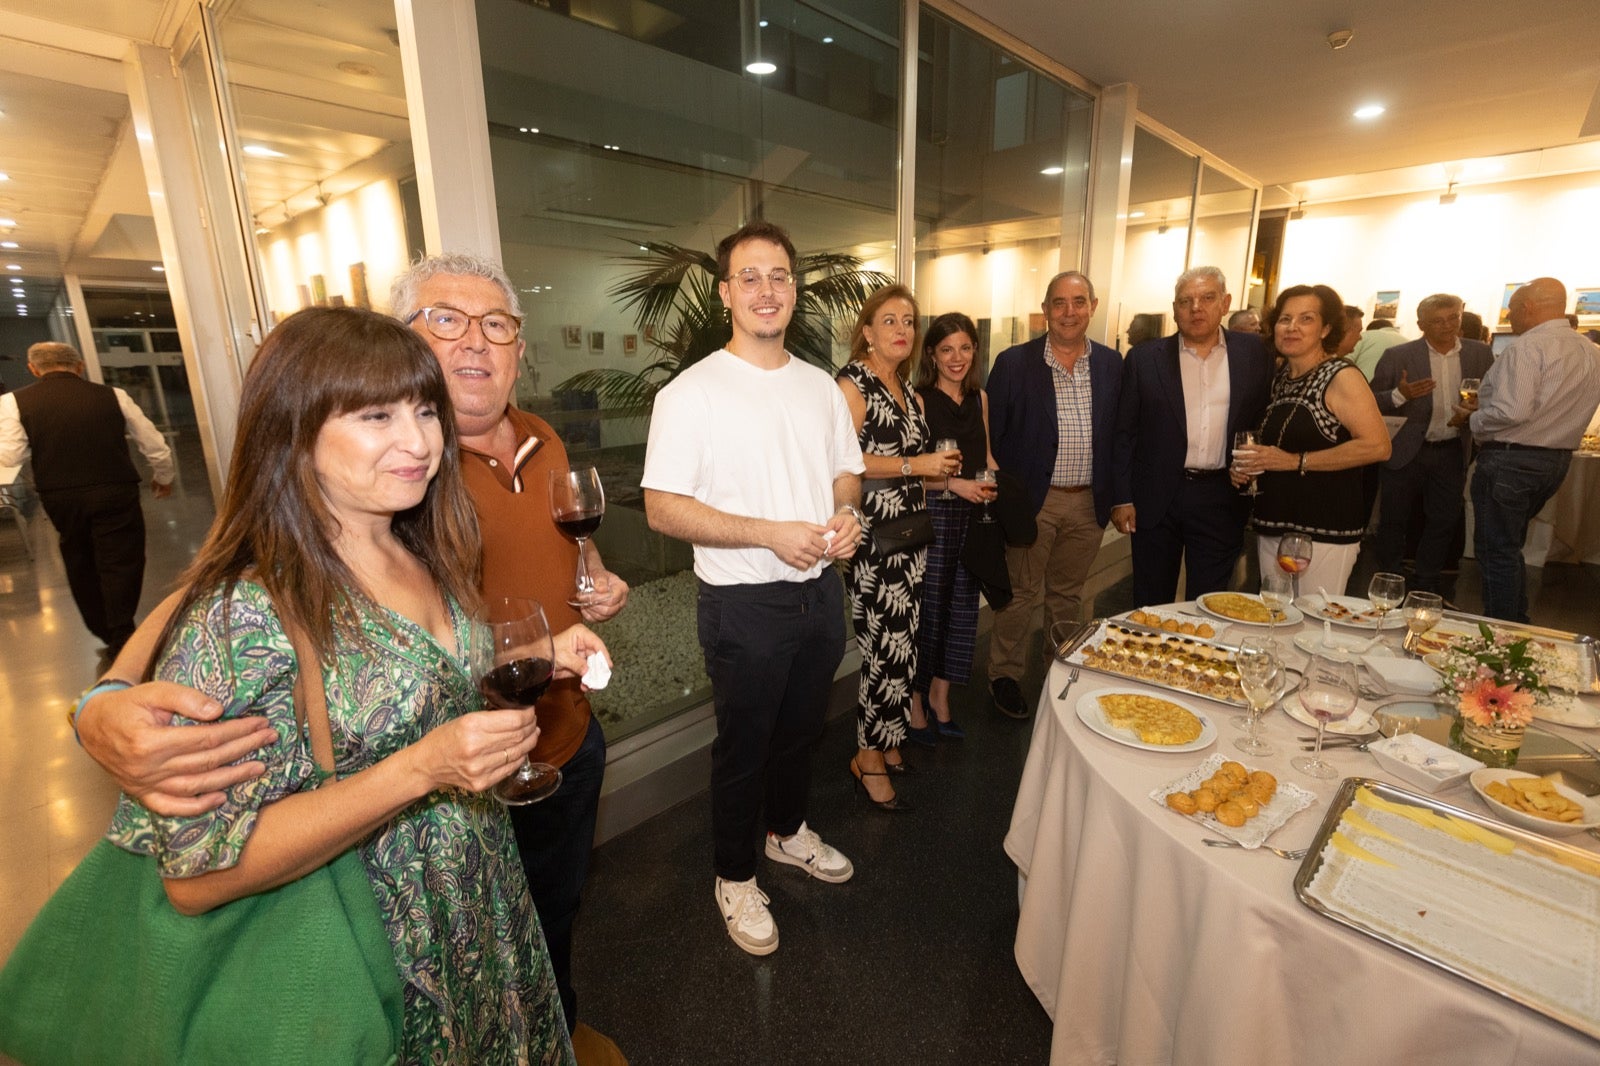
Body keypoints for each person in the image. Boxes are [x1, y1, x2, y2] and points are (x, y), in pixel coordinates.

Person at [74, 252, 631, 1059]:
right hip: (373, 948)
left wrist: (545, 647)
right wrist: (101, 700)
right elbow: (196, 878)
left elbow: (427, 676)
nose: (416, 441)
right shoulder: (249, 611)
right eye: (376, 417)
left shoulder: (426, 541)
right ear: (291, 432)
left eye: (421, 412)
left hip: (479, 904)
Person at [641, 220, 864, 956]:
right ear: (726, 291)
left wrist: (847, 510)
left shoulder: (819, 388)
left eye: (778, 277)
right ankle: (733, 875)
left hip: (819, 594)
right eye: (750, 277)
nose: (766, 290)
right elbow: (663, 507)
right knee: (744, 747)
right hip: (744, 603)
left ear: (793, 291)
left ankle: (787, 834)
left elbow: (846, 471)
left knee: (803, 733)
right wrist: (769, 531)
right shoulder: (691, 393)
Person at [835, 284, 952, 804]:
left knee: (903, 645)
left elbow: (916, 467)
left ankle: (887, 739)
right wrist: (917, 465)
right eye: (889, 321)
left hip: (910, 531)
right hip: (872, 537)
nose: (902, 329)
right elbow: (843, 463)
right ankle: (865, 754)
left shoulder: (908, 390)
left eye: (909, 320)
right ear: (867, 332)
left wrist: (937, 475)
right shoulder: (852, 385)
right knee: (880, 647)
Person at [986, 271, 1121, 719]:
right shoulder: (1013, 363)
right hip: (1032, 502)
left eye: (1078, 302)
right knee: (1021, 593)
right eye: (1059, 303)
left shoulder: (1110, 364)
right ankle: (1004, 675)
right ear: (1045, 310)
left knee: (1068, 594)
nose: (1069, 312)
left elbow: (1121, 436)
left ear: (1093, 306)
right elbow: (994, 436)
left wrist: (1120, 496)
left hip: (1088, 501)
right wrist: (1002, 501)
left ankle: (1059, 670)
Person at [1111, 266, 1272, 606]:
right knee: (1151, 600)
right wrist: (1122, 498)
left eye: (1207, 298)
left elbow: (1263, 417)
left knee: (1211, 601)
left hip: (1221, 495)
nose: (1196, 308)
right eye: (1186, 301)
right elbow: (1124, 432)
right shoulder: (1144, 359)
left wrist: (1253, 462)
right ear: (1174, 310)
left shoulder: (1254, 353)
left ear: (1225, 303)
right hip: (1156, 498)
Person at [0, 341, 174, 655]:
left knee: (79, 558)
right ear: (79, 366)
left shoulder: (14, 402)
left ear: (34, 369)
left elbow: (8, 456)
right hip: (115, 490)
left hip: (61, 495)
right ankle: (121, 629)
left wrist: (42, 444)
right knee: (122, 560)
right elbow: (152, 441)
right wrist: (164, 476)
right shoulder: (113, 396)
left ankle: (105, 630)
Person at [1453, 277, 1600, 621]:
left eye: (1512, 309)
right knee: (1509, 546)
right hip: (1555, 460)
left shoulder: (1527, 348)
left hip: (1511, 458)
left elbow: (1511, 411)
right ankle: (1517, 622)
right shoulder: (1590, 351)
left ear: (1528, 307)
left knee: (1496, 551)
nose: (1511, 317)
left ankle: (1502, 633)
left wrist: (1471, 420)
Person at [1232, 284, 1391, 596]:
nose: (1292, 327)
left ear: (1325, 329)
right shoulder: (1280, 379)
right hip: (1273, 524)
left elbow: (1378, 446)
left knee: (1313, 627)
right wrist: (1246, 470)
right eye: (1284, 319)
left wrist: (1294, 461)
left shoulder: (1340, 375)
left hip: (1323, 530)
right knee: (1275, 621)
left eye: (1306, 319)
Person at [910, 312, 997, 745]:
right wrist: (955, 485)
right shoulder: (920, 401)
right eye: (947, 349)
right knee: (928, 612)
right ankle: (914, 704)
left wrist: (994, 485)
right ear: (931, 355)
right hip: (934, 516)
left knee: (963, 612)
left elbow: (988, 457)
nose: (956, 357)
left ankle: (942, 699)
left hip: (973, 518)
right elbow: (908, 474)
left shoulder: (980, 398)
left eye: (965, 348)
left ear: (975, 351)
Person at [1370, 294, 1493, 593]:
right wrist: (1401, 395)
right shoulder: (1398, 356)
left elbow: (1492, 394)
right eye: (1438, 321)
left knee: (1444, 520)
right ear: (1421, 324)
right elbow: (1372, 400)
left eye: (1454, 318)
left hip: (1450, 449)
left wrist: (1478, 408)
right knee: (1393, 521)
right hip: (1406, 450)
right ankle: (1388, 579)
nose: (1448, 326)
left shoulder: (1480, 354)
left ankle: (1427, 581)